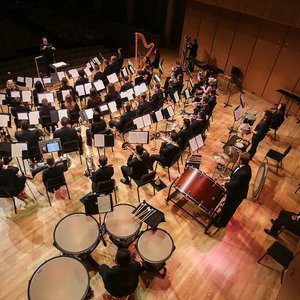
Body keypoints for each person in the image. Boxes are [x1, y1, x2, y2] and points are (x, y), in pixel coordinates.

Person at [212, 152, 252, 228]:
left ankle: (222, 224)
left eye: (238, 157)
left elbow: (235, 185)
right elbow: (234, 177)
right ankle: (222, 215)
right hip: (235, 190)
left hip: (237, 195)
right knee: (226, 206)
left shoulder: (244, 173)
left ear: (240, 161)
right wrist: (225, 178)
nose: (237, 158)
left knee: (229, 209)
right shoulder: (242, 166)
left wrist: (225, 184)